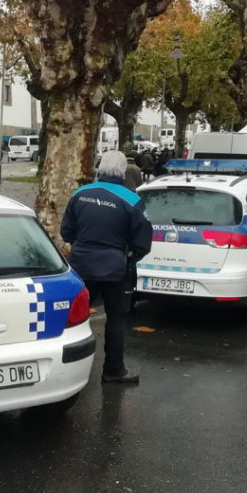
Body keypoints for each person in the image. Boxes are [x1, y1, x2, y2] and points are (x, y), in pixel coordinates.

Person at [60, 150, 152, 384]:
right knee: (116, 319)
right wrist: (130, 258)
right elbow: (143, 241)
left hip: (80, 267)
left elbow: (66, 232)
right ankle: (113, 370)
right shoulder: (132, 200)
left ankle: (62, 368)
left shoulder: (80, 194)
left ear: (99, 169)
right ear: (123, 173)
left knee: (72, 318)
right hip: (116, 270)